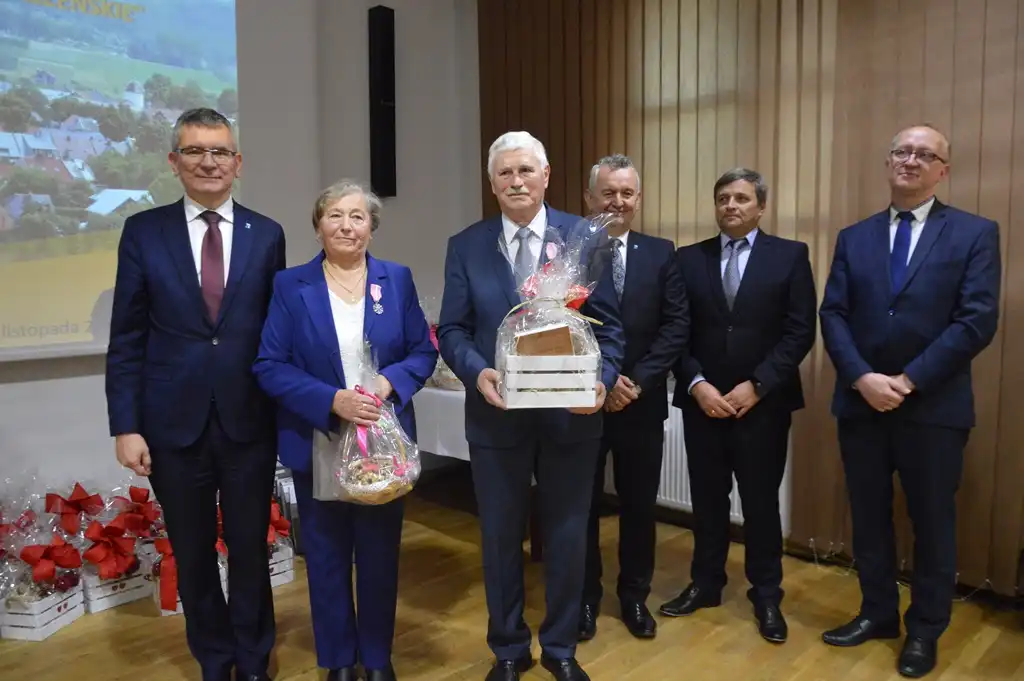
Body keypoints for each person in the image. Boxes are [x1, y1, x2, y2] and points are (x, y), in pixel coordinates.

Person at [105, 108, 285, 681]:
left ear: (238, 163)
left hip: (248, 421)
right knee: (194, 550)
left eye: (220, 152)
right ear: (174, 162)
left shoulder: (268, 234)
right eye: (195, 151)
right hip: (169, 423)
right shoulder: (143, 231)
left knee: (250, 549)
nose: (209, 161)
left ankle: (254, 658)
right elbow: (127, 335)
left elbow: (274, 333)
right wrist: (125, 425)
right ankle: (214, 657)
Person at [437, 131, 624, 681]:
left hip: (573, 415)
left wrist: (602, 381)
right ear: (491, 183)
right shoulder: (466, 245)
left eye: (525, 171)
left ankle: (562, 650)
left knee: (568, 535)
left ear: (546, 176)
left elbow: (610, 328)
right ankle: (510, 650)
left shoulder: (584, 238)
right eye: (504, 174)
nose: (516, 181)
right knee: (499, 537)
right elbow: (451, 329)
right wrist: (478, 372)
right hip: (497, 415)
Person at [818, 125, 1001, 678]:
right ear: (888, 161)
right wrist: (862, 378)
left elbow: (976, 321)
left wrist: (908, 381)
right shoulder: (855, 236)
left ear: (943, 169)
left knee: (932, 524)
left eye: (926, 155)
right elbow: (834, 314)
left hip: (933, 409)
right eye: (902, 151)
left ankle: (925, 630)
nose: (911, 160)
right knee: (869, 518)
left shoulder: (974, 233)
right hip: (861, 404)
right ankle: (877, 613)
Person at [253, 180, 437, 681]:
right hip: (319, 438)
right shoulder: (291, 286)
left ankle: (376, 658)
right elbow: (269, 364)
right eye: (335, 215)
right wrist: (331, 400)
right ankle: (337, 660)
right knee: (329, 558)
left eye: (357, 216)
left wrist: (386, 382)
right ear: (317, 227)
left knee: (379, 556)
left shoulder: (396, 280)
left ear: (372, 228)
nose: (346, 225)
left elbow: (423, 351)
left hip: (383, 440)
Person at [663, 168, 817, 643]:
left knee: (760, 504)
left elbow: (799, 332)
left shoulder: (790, 257)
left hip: (762, 406)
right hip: (703, 402)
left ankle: (766, 593)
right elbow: (676, 330)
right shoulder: (688, 259)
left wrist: (758, 385)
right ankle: (706, 583)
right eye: (723, 198)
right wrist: (696, 384)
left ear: (760, 207)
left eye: (742, 198)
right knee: (707, 501)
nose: (732, 205)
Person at [578, 154, 688, 642]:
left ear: (638, 200)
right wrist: (599, 379)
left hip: (640, 401)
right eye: (608, 192)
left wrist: (635, 380)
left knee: (639, 504)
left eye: (626, 193)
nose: (617, 201)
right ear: (589, 198)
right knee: (579, 504)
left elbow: (675, 325)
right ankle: (583, 598)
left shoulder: (663, 253)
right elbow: (559, 325)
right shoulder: (570, 250)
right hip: (581, 399)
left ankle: (633, 596)